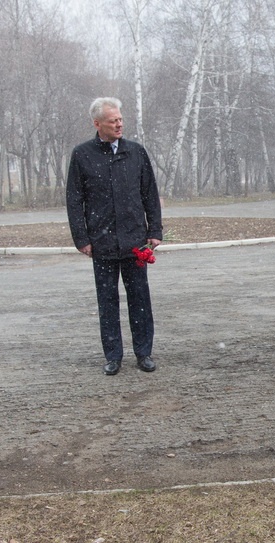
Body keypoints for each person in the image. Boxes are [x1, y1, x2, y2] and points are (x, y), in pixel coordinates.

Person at [67, 97, 163, 376]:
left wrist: (154, 230)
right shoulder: (83, 155)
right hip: (102, 243)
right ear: (98, 124)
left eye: (120, 119)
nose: (119, 123)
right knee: (107, 301)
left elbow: (149, 194)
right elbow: (75, 201)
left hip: (135, 241)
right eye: (113, 120)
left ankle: (144, 353)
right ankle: (113, 356)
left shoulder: (136, 152)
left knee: (140, 299)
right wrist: (82, 238)